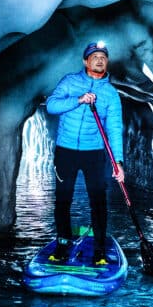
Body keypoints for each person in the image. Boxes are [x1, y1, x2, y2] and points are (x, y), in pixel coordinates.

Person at [46, 41, 125, 265]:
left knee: (98, 201)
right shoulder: (70, 82)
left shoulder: (110, 94)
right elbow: (52, 105)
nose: (100, 59)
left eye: (103, 56)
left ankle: (99, 251)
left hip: (94, 153)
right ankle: (62, 245)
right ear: (85, 61)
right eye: (95, 56)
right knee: (63, 199)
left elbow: (115, 129)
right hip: (66, 151)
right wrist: (78, 100)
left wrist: (117, 161)